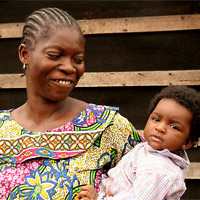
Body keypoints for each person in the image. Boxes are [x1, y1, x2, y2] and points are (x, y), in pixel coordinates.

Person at [0, 7, 143, 200]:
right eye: (54, 55)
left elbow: (156, 187)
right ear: (25, 54)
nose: (69, 67)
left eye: (78, 59)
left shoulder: (110, 127)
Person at [78, 85, 200, 200]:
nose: (160, 128)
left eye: (174, 127)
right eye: (156, 119)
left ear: (187, 142)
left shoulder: (159, 171)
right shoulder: (147, 151)